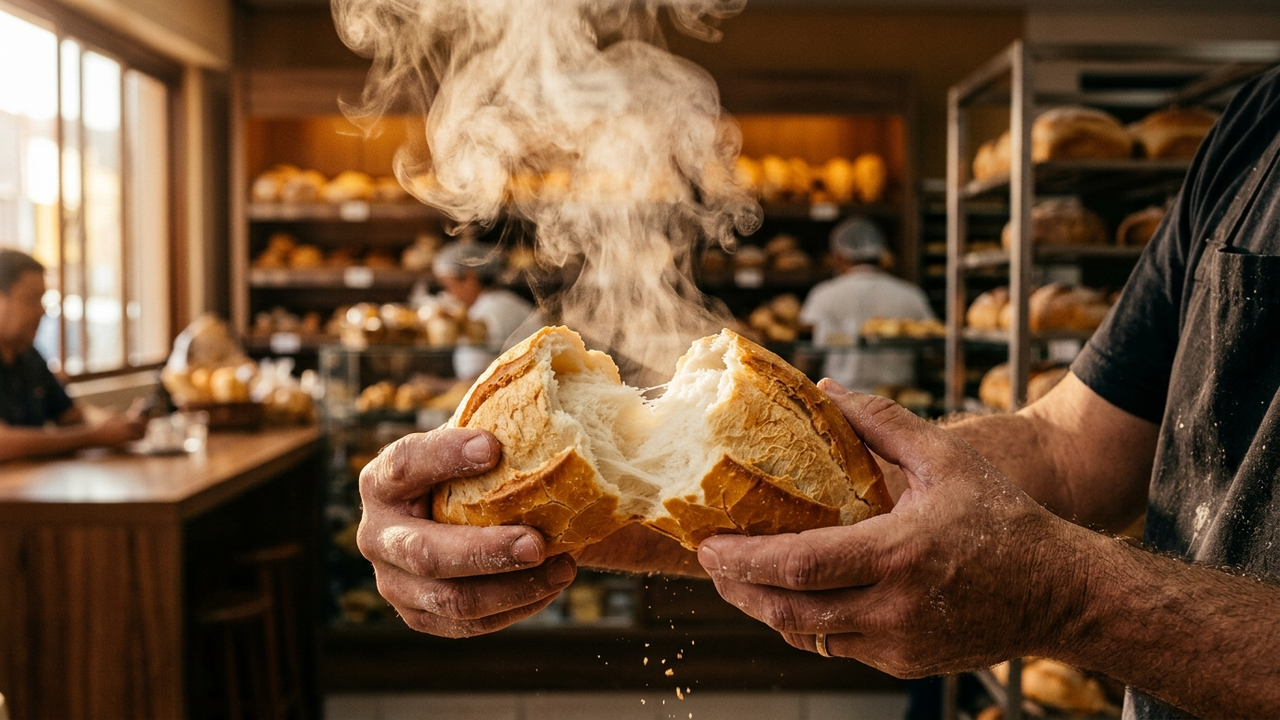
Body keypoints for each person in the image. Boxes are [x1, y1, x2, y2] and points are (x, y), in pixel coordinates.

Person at [352, 67, 1280, 719]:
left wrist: (1065, 600)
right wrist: (543, 514)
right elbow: (1070, 455)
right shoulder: (1253, 133)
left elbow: (1055, 559)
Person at [0, 249, 146, 462]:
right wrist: (93, 437)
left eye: (43, 300)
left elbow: (73, 415)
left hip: (35, 488)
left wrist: (117, 423)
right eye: (31, 300)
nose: (42, 311)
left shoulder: (30, 357)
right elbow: (3, 444)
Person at [799, 217, 935, 393]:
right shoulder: (911, 294)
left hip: (840, 400)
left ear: (838, 256)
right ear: (881, 254)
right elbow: (933, 355)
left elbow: (805, 359)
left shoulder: (823, 295)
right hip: (898, 400)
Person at [412, 241, 534, 379]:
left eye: (449, 286)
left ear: (470, 279)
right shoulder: (503, 303)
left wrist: (434, 386)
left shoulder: (493, 311)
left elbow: (485, 378)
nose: (449, 294)